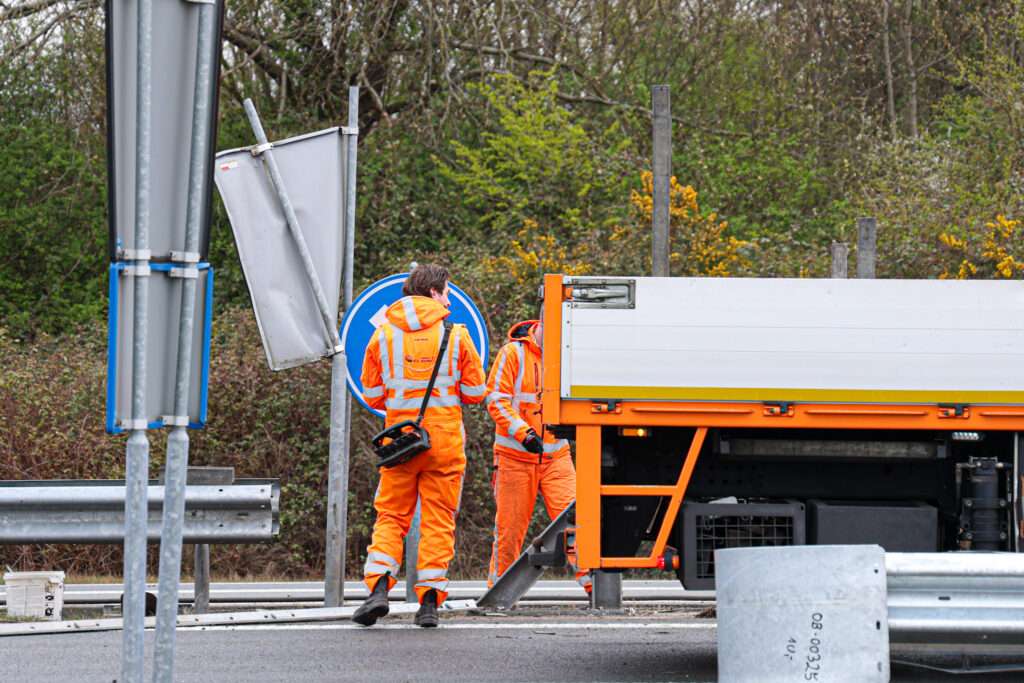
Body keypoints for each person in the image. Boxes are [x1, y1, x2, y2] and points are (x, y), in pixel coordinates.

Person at [353, 264, 487, 627]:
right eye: (445, 293)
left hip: (401, 439)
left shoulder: (382, 335)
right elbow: (476, 394)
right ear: (432, 292)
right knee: (439, 520)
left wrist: (404, 404)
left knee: (391, 517)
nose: (448, 300)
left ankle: (378, 590)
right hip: (443, 439)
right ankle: (428, 604)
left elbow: (373, 394)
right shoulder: (455, 334)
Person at [484, 308, 591, 593]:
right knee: (509, 532)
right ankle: (499, 594)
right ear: (543, 323)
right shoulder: (513, 354)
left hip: (556, 456)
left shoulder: (567, 356)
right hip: (514, 457)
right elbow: (496, 400)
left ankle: (595, 586)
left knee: (579, 520)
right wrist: (524, 433)